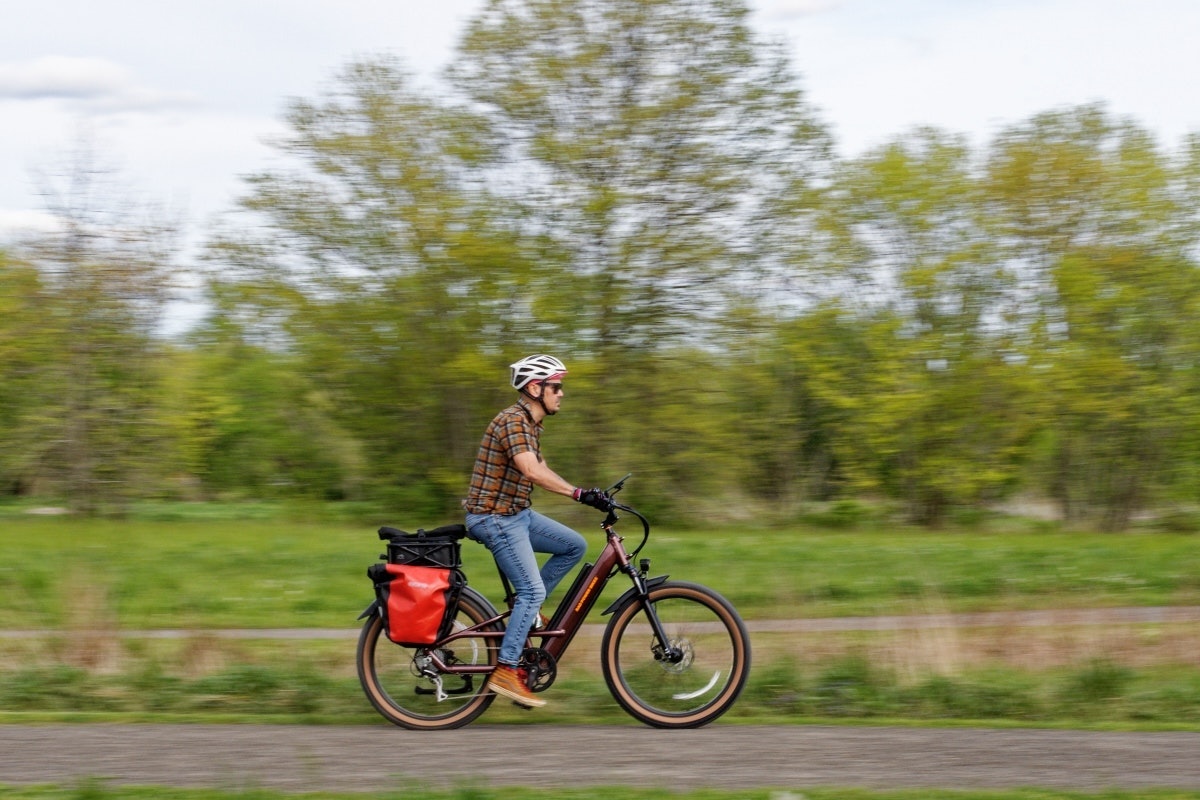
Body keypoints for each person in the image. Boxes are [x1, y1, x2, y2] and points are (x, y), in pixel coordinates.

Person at [463, 354, 612, 708]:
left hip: (517, 515)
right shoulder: (513, 422)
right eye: (556, 387)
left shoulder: (529, 424)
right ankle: (506, 670)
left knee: (573, 546)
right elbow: (531, 471)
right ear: (535, 388)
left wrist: (586, 494)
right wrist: (577, 493)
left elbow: (542, 467)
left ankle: (525, 612)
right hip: (494, 518)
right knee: (532, 590)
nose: (561, 394)